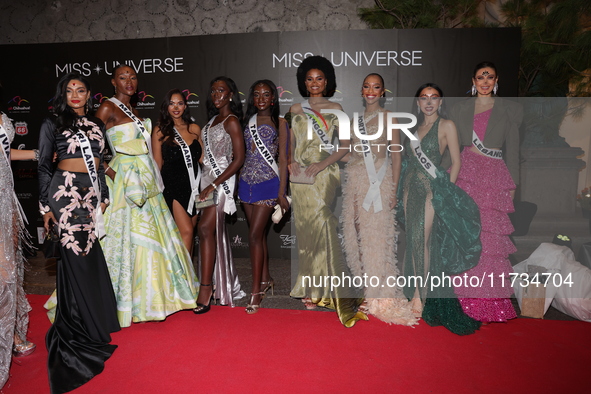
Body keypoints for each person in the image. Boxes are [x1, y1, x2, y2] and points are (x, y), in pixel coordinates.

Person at [95, 65, 198, 327]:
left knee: (153, 236)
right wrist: (110, 171)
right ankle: (126, 300)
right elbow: (90, 147)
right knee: (126, 239)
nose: (129, 81)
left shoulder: (136, 111)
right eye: (122, 77)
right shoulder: (107, 108)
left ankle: (155, 296)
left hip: (146, 180)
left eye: (132, 77)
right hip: (124, 181)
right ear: (113, 82)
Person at [38, 73, 120, 392]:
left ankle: (92, 323)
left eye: (80, 90)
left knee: (88, 257)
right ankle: (77, 330)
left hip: (91, 197)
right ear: (63, 94)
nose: (75, 94)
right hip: (64, 196)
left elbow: (99, 164)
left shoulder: (97, 126)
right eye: (69, 90)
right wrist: (46, 209)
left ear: (89, 95)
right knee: (75, 258)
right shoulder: (52, 124)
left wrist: (104, 197)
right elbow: (44, 166)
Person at [287, 55, 367, 327]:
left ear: (327, 81)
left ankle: (338, 292)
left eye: (319, 78)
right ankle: (310, 290)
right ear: (303, 81)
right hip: (299, 177)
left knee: (323, 226)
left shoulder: (337, 108)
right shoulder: (295, 109)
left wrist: (322, 164)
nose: (314, 83)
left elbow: (344, 146)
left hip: (324, 173)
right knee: (307, 233)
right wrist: (289, 162)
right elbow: (290, 144)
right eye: (309, 79)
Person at [399, 83, 481, 335]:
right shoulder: (414, 128)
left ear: (441, 101)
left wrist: (444, 193)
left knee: (420, 239)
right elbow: (408, 163)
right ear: (417, 103)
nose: (429, 102)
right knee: (412, 241)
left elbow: (455, 162)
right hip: (409, 189)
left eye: (434, 97)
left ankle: (418, 296)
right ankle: (409, 290)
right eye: (424, 98)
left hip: (432, 190)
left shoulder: (447, 126)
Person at [341, 73, 416, 326]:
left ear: (383, 91)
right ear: (361, 90)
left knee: (377, 239)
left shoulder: (390, 118)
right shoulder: (354, 121)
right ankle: (366, 288)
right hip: (355, 182)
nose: (371, 91)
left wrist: (394, 190)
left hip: (380, 183)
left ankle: (377, 294)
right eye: (366, 86)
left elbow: (396, 157)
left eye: (376, 87)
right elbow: (348, 155)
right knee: (358, 235)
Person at [450, 62, 523, 323]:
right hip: (467, 172)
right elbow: (452, 146)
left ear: (496, 80)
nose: (484, 81)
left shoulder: (510, 110)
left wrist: (512, 186)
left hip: (493, 176)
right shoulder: (459, 108)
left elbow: (513, 151)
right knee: (466, 236)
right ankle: (460, 298)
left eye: (489, 77)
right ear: (473, 80)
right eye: (481, 76)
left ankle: (487, 301)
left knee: (490, 241)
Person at [194, 76, 245, 314]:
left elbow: (239, 158)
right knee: (209, 231)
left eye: (221, 91)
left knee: (205, 229)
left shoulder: (232, 121)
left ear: (231, 94)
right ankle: (219, 283)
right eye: (213, 91)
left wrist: (214, 184)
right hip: (206, 180)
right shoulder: (212, 120)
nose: (216, 95)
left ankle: (206, 287)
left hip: (221, 183)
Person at [238, 80, 289, 314]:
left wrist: (282, 193)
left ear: (272, 99)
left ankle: (256, 291)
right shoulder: (244, 123)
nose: (260, 98)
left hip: (269, 184)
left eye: (265, 94)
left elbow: (284, 160)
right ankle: (266, 279)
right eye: (256, 94)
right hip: (246, 184)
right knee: (258, 237)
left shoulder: (281, 123)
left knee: (255, 235)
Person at [0, 109, 37, 389]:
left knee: (9, 268)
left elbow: (6, 153)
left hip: (6, 197)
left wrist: (40, 154)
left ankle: (9, 335)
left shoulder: (2, 116)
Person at [152, 89, 202, 255]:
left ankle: (185, 273)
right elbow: (157, 163)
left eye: (180, 103)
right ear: (166, 107)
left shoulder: (194, 128)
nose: (176, 107)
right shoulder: (160, 130)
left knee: (189, 233)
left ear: (185, 106)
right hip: (173, 187)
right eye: (172, 103)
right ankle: (185, 280)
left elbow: (202, 159)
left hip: (195, 187)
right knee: (186, 232)